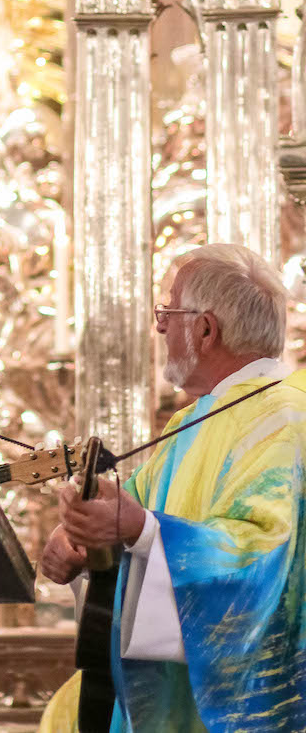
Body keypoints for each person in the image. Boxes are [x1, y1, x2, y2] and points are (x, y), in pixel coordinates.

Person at [38, 242, 306, 733]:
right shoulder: (194, 419)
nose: (159, 325)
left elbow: (263, 560)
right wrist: (79, 539)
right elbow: (126, 515)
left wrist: (136, 528)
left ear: (206, 329)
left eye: (168, 310)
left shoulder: (286, 418)